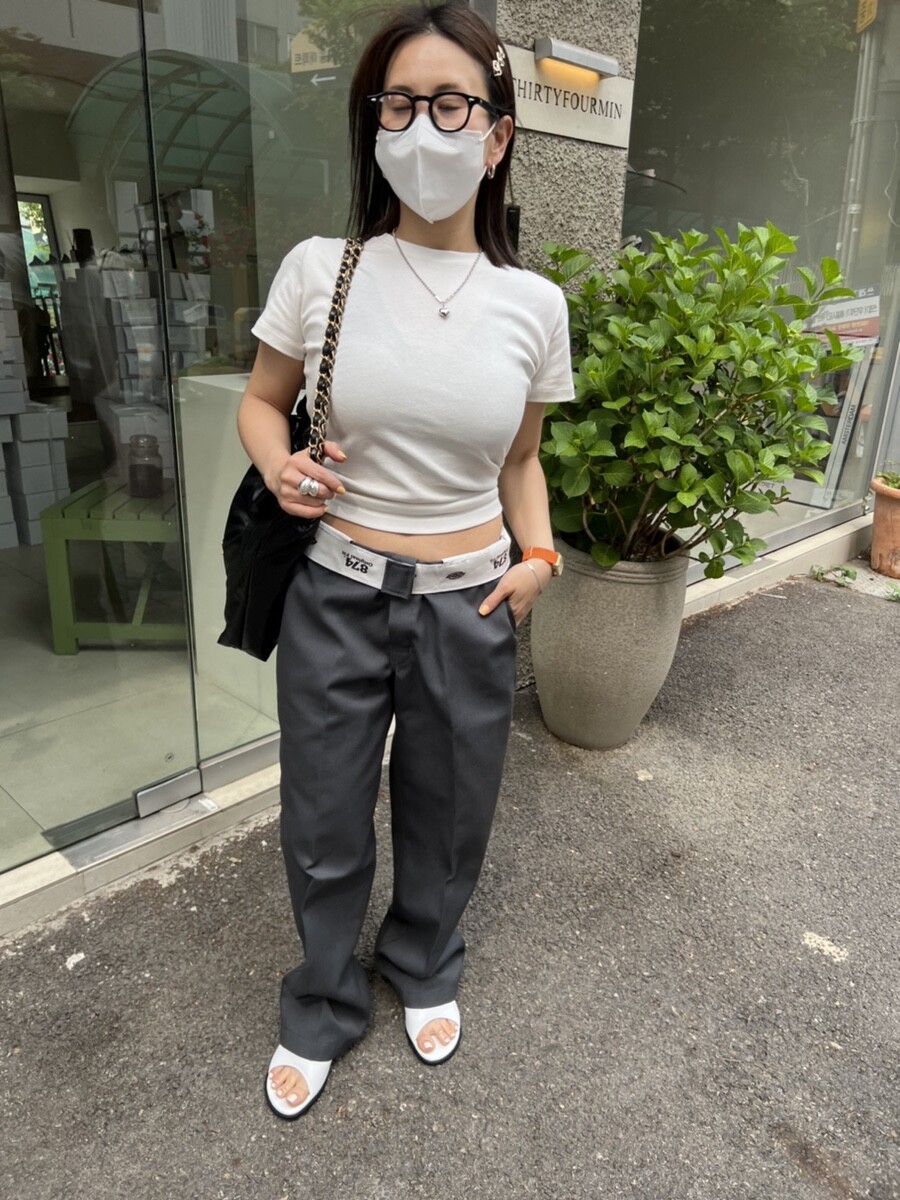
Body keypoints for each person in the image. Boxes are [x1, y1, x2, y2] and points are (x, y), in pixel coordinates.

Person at [237, 2, 574, 1120]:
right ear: (371, 121)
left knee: (451, 810)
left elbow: (521, 458)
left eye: (450, 104)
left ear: (498, 134)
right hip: (336, 590)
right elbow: (261, 402)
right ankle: (323, 999)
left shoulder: (534, 304)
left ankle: (425, 961)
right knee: (324, 819)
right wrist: (280, 464)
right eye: (397, 103)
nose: (421, 127)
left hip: (469, 601)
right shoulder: (322, 269)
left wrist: (539, 555)